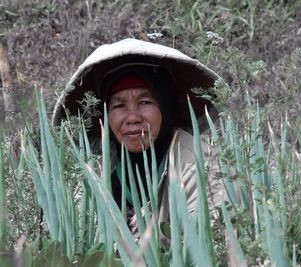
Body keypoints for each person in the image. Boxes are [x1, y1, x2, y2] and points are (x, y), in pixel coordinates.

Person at [52, 38, 225, 241]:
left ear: (166, 105)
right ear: (105, 116)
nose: (132, 117)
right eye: (119, 105)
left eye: (145, 102)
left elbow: (211, 249)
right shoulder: (97, 175)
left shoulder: (204, 170)